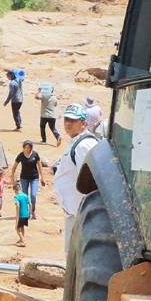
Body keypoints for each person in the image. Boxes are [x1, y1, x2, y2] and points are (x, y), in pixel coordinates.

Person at [53, 103, 101, 244]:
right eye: (66, 119)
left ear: (83, 123)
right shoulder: (77, 142)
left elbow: (92, 181)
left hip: (81, 214)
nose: (68, 123)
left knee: (76, 255)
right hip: (74, 212)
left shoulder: (83, 145)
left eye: (73, 120)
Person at [10, 139, 45, 221]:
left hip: (34, 178)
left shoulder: (35, 155)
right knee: (25, 196)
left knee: (33, 195)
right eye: (26, 147)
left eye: (29, 147)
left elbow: (40, 166)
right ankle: (26, 213)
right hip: (24, 178)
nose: (27, 149)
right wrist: (13, 177)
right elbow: (14, 167)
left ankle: (33, 211)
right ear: (23, 147)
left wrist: (42, 177)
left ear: (31, 148)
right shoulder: (20, 155)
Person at [14, 182, 31, 246]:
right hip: (26, 214)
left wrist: (17, 216)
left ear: (15, 190)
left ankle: (23, 241)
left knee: (17, 228)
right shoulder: (25, 195)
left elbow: (18, 206)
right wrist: (30, 213)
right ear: (20, 188)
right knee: (22, 227)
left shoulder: (16, 197)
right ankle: (21, 239)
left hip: (20, 215)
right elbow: (30, 204)